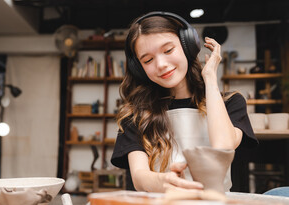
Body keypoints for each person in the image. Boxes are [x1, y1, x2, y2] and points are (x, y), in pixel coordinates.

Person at [110, 11, 258, 193]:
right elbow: (140, 177)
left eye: (168, 50)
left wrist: (210, 77)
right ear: (139, 69)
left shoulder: (230, 102)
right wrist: (164, 182)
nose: (161, 64)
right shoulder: (135, 115)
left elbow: (223, 146)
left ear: (187, 46)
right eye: (148, 60)